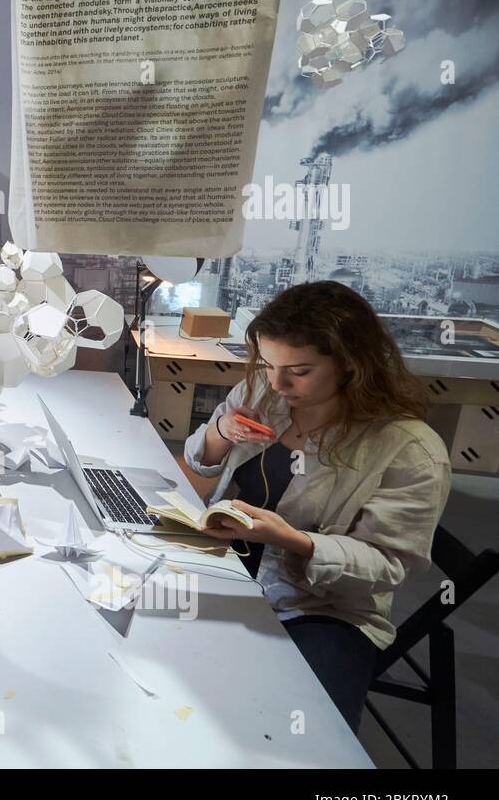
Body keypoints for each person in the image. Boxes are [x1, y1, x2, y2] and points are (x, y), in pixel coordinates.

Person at [183, 281, 451, 731]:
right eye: (268, 364)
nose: (277, 382)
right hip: (227, 565)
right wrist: (221, 431)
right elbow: (201, 461)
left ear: (350, 364)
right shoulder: (262, 395)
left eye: (299, 370)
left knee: (301, 733)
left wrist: (291, 540)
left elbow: (386, 566)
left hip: (323, 609)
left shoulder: (408, 449)